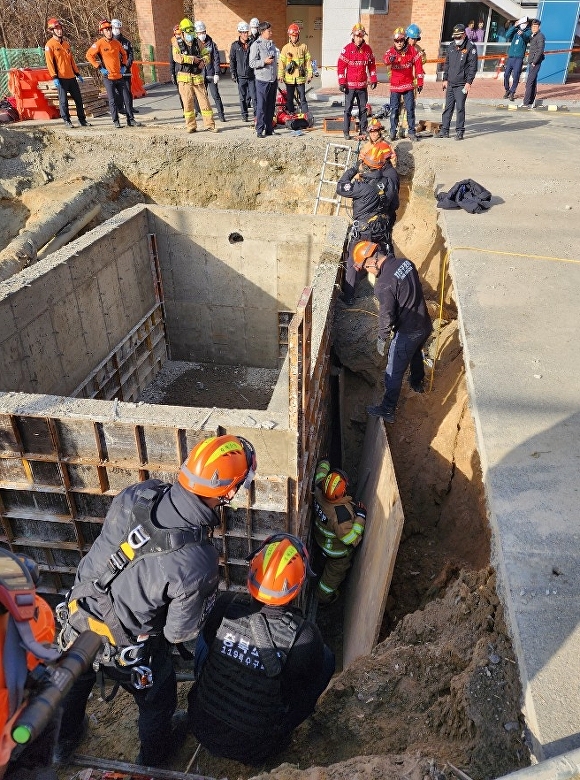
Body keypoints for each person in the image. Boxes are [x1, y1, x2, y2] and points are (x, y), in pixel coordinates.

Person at [54, 434, 257, 767]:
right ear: (229, 491)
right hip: (125, 647)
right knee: (157, 701)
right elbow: (179, 632)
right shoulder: (198, 561)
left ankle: (62, 742)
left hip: (77, 614)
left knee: (76, 679)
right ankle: (154, 759)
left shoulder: (140, 493)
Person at [187, 533, 335, 763]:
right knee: (326, 660)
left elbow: (207, 639)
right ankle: (280, 732)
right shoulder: (304, 635)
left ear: (251, 576)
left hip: (200, 723)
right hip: (254, 748)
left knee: (207, 640)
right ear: (298, 586)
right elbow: (295, 685)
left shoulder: (226, 604)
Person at [0, 549, 101, 780]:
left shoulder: (35, 609)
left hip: (30, 696)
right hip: (17, 714)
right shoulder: (37, 609)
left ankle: (62, 744)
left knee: (47, 726)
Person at [350, 242, 432, 425]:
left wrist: (382, 337)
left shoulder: (384, 285)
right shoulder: (406, 263)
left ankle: (387, 409)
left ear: (372, 261)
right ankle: (417, 382)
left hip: (408, 331)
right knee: (416, 351)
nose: (367, 271)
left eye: (365, 267)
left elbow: (386, 315)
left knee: (393, 371)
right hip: (424, 323)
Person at [336, 131, 396, 305]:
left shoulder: (361, 187)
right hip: (382, 229)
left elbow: (341, 187)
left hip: (364, 231)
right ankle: (388, 294)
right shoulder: (388, 184)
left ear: (366, 166)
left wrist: (354, 168)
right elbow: (394, 204)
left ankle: (348, 297)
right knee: (383, 259)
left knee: (353, 262)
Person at [312, 460, 366, 605]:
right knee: (331, 578)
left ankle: (318, 567)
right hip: (337, 553)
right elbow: (352, 539)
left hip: (320, 541)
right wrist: (361, 517)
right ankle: (323, 598)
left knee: (320, 563)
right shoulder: (341, 515)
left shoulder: (318, 490)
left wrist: (324, 462)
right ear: (343, 492)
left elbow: (320, 473)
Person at [86, 20, 139, 129]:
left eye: (110, 29)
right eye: (106, 30)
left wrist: (124, 65)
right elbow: (89, 55)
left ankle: (131, 119)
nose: (109, 32)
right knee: (112, 100)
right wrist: (99, 67)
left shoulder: (116, 43)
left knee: (126, 97)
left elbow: (124, 54)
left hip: (119, 76)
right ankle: (116, 121)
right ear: (102, 32)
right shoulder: (99, 43)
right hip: (108, 77)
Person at [44, 17, 90, 128]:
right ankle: (67, 120)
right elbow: (50, 63)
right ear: (52, 31)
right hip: (60, 78)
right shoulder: (49, 45)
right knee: (63, 101)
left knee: (78, 99)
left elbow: (71, 60)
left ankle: (82, 120)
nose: (59, 30)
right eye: (57, 29)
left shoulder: (66, 44)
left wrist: (77, 73)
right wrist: (54, 77)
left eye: (60, 28)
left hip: (71, 77)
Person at [172, 18, 216, 133]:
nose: (190, 34)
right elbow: (177, 58)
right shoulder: (177, 43)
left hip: (197, 78)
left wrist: (203, 61)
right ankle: (191, 126)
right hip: (184, 78)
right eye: (187, 31)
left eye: (191, 31)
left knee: (204, 102)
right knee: (188, 103)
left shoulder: (197, 42)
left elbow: (207, 54)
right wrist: (193, 59)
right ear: (182, 32)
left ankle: (210, 125)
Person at [437, 23, 478, 141]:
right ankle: (445, 130)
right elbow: (447, 64)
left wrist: (469, 82)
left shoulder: (470, 47)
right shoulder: (451, 46)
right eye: (455, 37)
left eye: (459, 37)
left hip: (462, 84)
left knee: (460, 107)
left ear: (464, 35)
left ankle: (460, 131)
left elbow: (473, 67)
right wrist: (445, 78)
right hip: (450, 82)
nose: (457, 40)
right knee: (448, 107)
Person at [337, 23, 377, 140]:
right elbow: (341, 67)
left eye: (361, 36)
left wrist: (373, 78)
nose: (359, 39)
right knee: (348, 109)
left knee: (363, 109)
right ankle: (346, 131)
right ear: (353, 36)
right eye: (357, 36)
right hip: (350, 86)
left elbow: (372, 66)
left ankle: (363, 130)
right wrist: (342, 82)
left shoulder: (368, 49)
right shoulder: (347, 49)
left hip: (362, 85)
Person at [383, 27, 424, 142]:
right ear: (394, 42)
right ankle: (393, 131)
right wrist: (390, 59)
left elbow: (419, 67)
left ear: (404, 40)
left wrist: (420, 82)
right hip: (395, 86)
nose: (399, 43)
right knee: (394, 110)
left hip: (408, 86)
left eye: (401, 40)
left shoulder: (412, 51)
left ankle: (411, 132)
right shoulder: (390, 51)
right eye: (396, 41)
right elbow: (385, 59)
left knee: (410, 109)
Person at [249, 21, 278, 139]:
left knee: (271, 106)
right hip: (262, 80)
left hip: (272, 79)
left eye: (271, 30)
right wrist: (264, 62)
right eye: (268, 31)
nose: (271, 33)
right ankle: (259, 129)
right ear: (262, 32)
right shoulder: (256, 45)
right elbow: (252, 63)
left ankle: (269, 128)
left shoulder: (272, 44)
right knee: (261, 106)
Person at [194, 21, 226, 122]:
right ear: (196, 34)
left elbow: (216, 59)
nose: (202, 35)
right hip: (200, 74)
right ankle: (199, 112)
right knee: (201, 96)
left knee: (216, 95)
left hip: (211, 74)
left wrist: (217, 73)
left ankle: (221, 115)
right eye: (199, 33)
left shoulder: (211, 44)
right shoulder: (194, 45)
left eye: (203, 32)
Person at [278, 24, 312, 116]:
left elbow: (308, 61)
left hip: (300, 78)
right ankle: (290, 114)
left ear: (298, 35)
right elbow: (281, 63)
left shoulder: (303, 47)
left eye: (295, 36)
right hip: (289, 78)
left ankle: (306, 115)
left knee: (302, 97)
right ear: (289, 35)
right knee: (289, 98)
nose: (294, 38)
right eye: (292, 36)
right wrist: (280, 75)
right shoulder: (285, 48)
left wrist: (310, 74)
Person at [111, 20, 138, 116]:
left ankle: (129, 107)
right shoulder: (110, 42)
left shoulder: (126, 42)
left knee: (127, 90)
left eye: (118, 28)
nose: (116, 30)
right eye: (115, 28)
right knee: (117, 92)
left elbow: (130, 55)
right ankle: (120, 108)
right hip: (114, 72)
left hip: (125, 70)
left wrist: (127, 65)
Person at [230, 21, 256, 122]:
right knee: (243, 98)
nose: (246, 34)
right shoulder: (235, 46)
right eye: (244, 32)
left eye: (247, 32)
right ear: (240, 33)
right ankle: (244, 115)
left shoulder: (252, 44)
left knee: (254, 97)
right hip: (241, 76)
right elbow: (232, 60)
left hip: (251, 76)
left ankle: (256, 116)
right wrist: (233, 73)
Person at [503, 17, 532, 100]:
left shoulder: (528, 31)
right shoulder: (516, 30)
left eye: (525, 23)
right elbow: (507, 35)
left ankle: (512, 92)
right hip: (511, 56)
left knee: (516, 75)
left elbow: (527, 37)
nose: (523, 24)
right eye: (522, 22)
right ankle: (507, 89)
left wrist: (522, 33)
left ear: (527, 24)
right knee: (506, 75)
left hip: (519, 57)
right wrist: (514, 26)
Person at [520, 19, 545, 108]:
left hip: (535, 62)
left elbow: (540, 50)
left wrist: (534, 62)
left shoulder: (540, 36)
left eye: (536, 26)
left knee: (529, 82)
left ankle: (526, 103)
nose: (534, 28)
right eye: (533, 26)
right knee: (533, 82)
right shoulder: (534, 36)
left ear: (539, 27)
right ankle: (531, 101)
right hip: (532, 61)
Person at [170, 24, 184, 110]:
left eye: (180, 34)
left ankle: (196, 109)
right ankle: (185, 110)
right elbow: (172, 62)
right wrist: (172, 74)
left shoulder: (187, 43)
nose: (178, 36)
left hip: (188, 71)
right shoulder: (172, 46)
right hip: (178, 72)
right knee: (181, 94)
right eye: (176, 34)